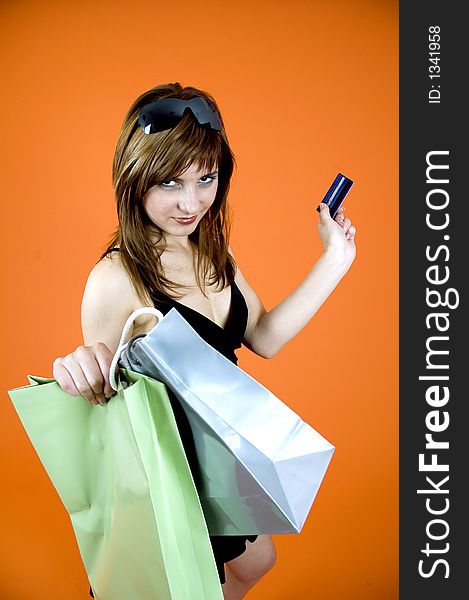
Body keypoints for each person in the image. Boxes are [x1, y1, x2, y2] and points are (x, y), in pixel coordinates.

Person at [52, 82, 357, 600]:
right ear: (134, 180)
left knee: (256, 561)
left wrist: (335, 260)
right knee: (184, 585)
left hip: (219, 451)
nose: (191, 202)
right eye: (170, 182)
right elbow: (100, 397)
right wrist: (75, 370)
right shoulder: (116, 278)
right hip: (171, 468)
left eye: (206, 179)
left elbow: (262, 336)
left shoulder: (213, 249)